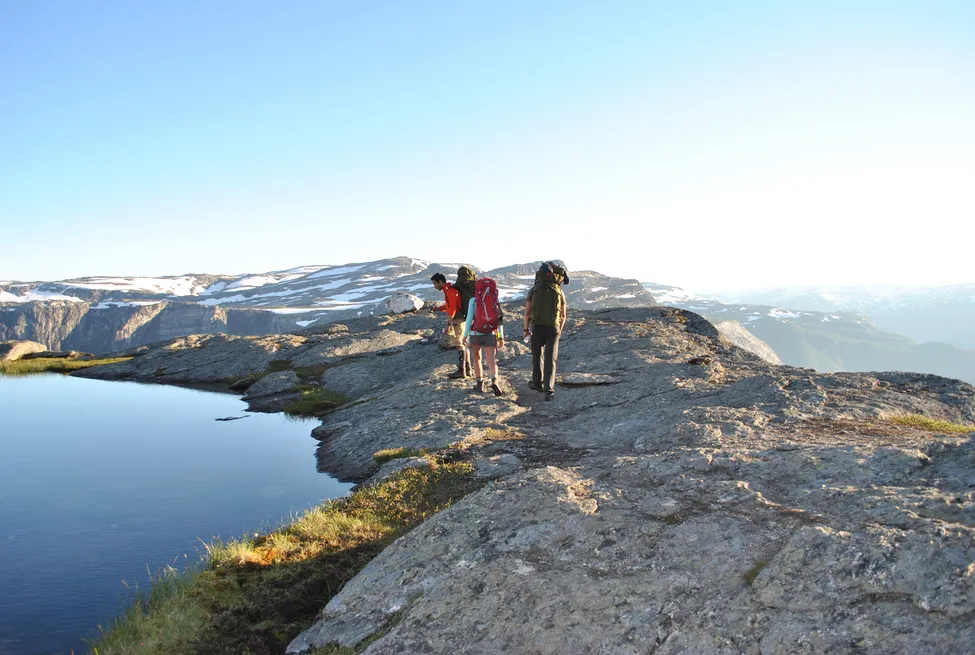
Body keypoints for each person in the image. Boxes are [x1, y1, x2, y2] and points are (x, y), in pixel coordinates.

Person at [524, 262, 568, 401]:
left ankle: (537, 383)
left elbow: (527, 312)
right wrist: (559, 330)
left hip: (537, 328)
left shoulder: (534, 289)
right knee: (551, 359)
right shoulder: (559, 291)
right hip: (553, 328)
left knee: (537, 356)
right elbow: (563, 315)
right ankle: (549, 391)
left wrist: (526, 329)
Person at [462, 276, 505, 396]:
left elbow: (469, 318)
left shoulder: (474, 301)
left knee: (477, 358)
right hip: (491, 333)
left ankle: (479, 384)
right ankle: (495, 380)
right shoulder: (494, 299)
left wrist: (465, 335)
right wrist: (500, 336)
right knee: (492, 360)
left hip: (476, 333)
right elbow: (499, 319)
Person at [430, 272, 469, 379]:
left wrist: (449, 323)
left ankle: (462, 371)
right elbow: (450, 305)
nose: (434, 286)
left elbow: (453, 308)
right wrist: (438, 308)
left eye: (435, 283)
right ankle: (468, 369)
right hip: (460, 319)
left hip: (457, 320)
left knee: (459, 343)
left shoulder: (450, 291)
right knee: (463, 343)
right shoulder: (449, 290)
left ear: (440, 281)